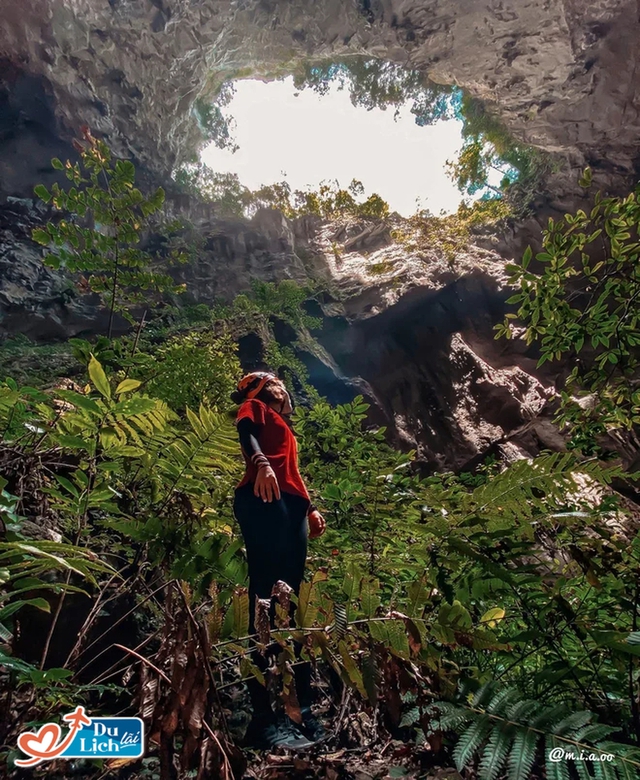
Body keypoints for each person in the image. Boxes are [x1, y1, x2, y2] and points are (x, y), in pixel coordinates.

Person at [231, 371, 327, 750]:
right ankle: (262, 716)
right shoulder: (253, 408)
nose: (281, 387)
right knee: (264, 599)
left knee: (295, 599)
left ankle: (299, 710)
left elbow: (293, 472)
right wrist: (261, 462)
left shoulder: (285, 429)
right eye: (272, 383)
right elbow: (247, 432)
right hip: (262, 495)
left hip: (290, 505)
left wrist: (310, 507)